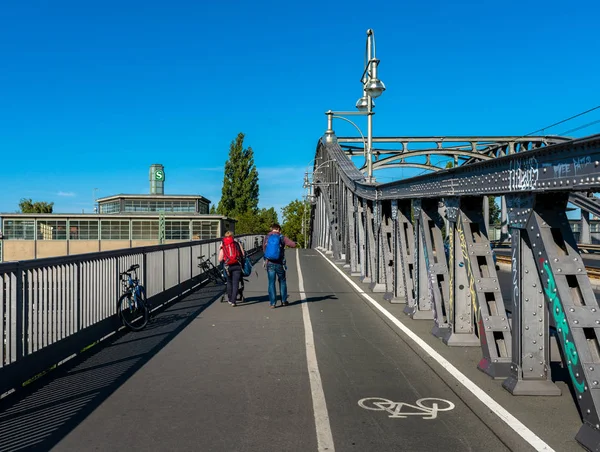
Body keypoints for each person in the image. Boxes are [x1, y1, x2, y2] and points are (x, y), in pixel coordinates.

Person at [263, 223, 296, 308]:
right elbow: (293, 245)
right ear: (278, 229)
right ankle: (284, 301)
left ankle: (273, 303)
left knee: (271, 283)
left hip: (269, 263)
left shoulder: (267, 237)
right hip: (279, 263)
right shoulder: (281, 237)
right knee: (282, 281)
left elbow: (264, 249)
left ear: (272, 229)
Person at [218, 231, 245, 307]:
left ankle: (230, 299)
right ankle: (233, 301)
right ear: (232, 236)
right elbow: (243, 254)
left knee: (229, 282)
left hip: (227, 267)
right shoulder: (236, 243)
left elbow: (220, 259)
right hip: (237, 265)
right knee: (236, 283)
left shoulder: (223, 245)